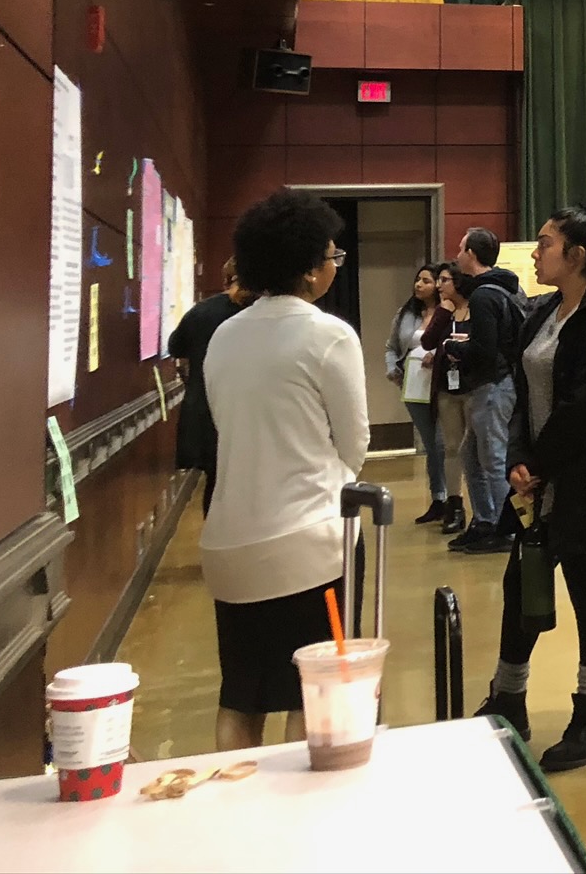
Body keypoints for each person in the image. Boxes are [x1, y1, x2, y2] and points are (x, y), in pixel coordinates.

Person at [476, 196, 586, 774]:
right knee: (522, 584)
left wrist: (540, 463)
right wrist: (520, 457)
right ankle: (508, 698)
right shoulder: (542, 314)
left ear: (576, 255)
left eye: (546, 243)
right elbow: (528, 396)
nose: (536, 252)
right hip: (541, 480)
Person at [198, 190, 368, 752]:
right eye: (331, 255)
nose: (333, 264)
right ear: (309, 268)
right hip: (308, 545)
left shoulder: (224, 333)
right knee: (311, 691)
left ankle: (237, 809)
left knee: (241, 695)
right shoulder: (329, 334)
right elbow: (355, 444)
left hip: (229, 542)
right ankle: (297, 823)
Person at [452, 227, 527, 553]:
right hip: (500, 382)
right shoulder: (507, 289)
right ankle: (486, 520)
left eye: (460, 249)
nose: (456, 255)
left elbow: (485, 349)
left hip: (492, 385)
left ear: (471, 255)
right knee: (471, 455)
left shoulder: (484, 296)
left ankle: (504, 529)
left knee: (493, 460)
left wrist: (456, 350)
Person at [171, 257, 252, 514]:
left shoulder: (202, 311)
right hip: (249, 411)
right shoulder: (261, 312)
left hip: (206, 410)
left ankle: (217, 541)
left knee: (216, 484)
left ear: (226, 279)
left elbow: (176, 347)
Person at [385, 262, 448, 525]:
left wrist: (437, 354)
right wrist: (392, 369)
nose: (419, 285)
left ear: (438, 286)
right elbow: (391, 347)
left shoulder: (449, 312)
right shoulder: (405, 314)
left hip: (442, 385)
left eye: (426, 281)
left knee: (444, 443)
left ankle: (453, 500)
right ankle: (439, 498)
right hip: (413, 384)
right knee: (431, 445)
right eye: (418, 280)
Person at [424, 264, 469, 536]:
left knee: (478, 451)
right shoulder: (444, 311)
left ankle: (488, 512)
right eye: (438, 280)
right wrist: (442, 311)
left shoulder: (478, 306)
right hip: (447, 387)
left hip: (474, 387)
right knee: (451, 447)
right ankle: (455, 505)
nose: (439, 285)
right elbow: (428, 341)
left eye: (445, 280)